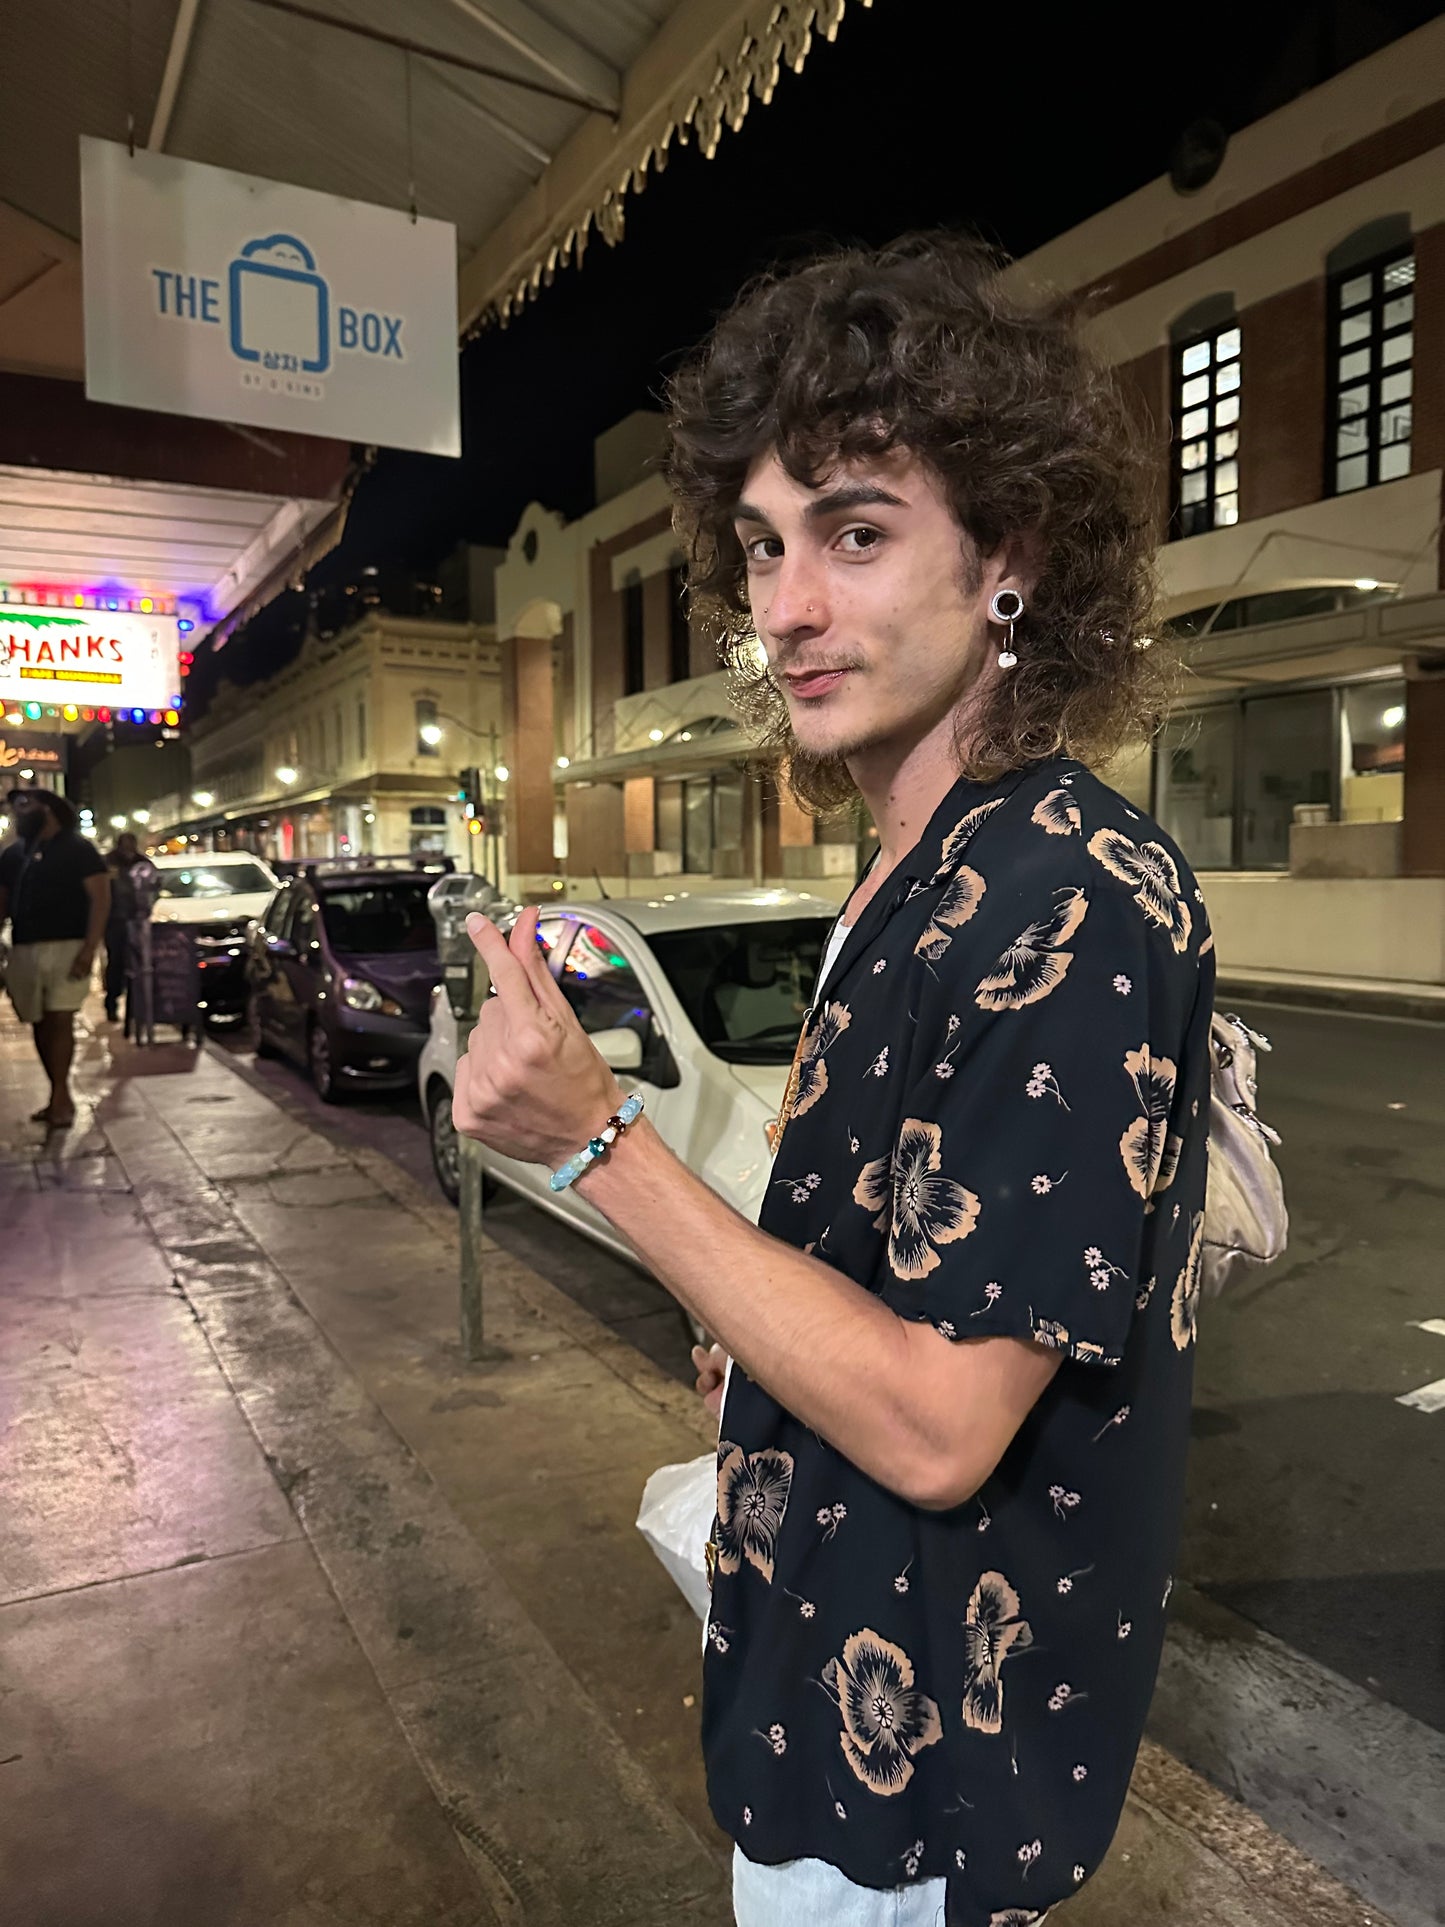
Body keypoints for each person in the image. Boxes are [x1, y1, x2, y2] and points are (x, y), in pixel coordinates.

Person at [452, 235, 1214, 1927]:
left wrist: (599, 1148)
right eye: (762, 546)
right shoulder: (909, 864)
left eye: (856, 534)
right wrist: (771, 1337)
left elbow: (945, 1429)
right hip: (816, 1675)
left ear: (1010, 556)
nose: (784, 607)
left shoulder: (1069, 889)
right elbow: (901, 1272)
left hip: (926, 1781)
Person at [0, 787, 111, 1128]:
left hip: (68, 945)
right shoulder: (14, 854)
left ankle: (61, 1096)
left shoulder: (78, 849)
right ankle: (56, 1091)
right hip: (25, 946)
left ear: (46, 808)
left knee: (60, 1018)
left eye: (25, 805)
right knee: (38, 1021)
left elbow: (101, 899)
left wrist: (89, 948)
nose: (19, 812)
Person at [103, 830, 143, 1022]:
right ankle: (112, 1002)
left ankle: (135, 1005)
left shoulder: (141, 863)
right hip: (115, 921)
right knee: (116, 962)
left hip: (137, 921)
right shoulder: (109, 862)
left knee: (138, 964)